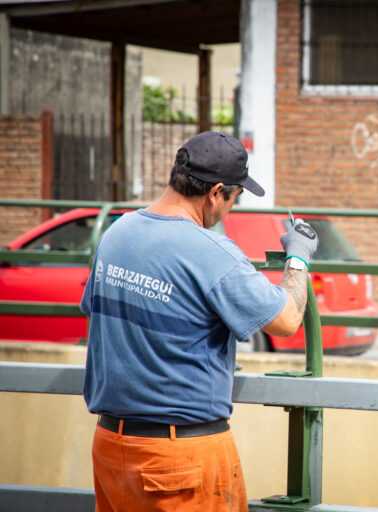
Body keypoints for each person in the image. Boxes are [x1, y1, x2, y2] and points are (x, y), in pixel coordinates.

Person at [80, 131, 319, 511]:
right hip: (180, 459)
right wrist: (299, 257)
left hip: (112, 448)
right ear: (216, 192)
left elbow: (112, 319)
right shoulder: (212, 253)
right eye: (234, 199)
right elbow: (287, 319)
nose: (230, 210)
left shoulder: (116, 234)